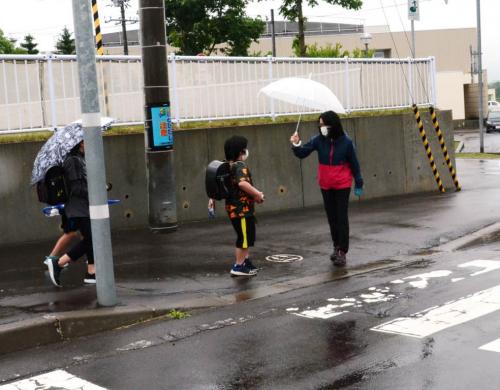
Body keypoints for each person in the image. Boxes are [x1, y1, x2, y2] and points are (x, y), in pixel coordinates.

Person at [289, 110, 363, 266]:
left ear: (333, 125)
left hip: (342, 184)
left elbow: (354, 164)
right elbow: (302, 153)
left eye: (323, 124)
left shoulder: (347, 142)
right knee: (332, 218)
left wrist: (359, 182)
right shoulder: (318, 140)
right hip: (325, 184)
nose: (321, 127)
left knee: (341, 217)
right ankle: (336, 247)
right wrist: (296, 144)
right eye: (320, 124)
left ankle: (342, 251)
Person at [209, 135, 265, 277]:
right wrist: (257, 194)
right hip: (242, 210)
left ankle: (245, 263)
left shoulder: (228, 165)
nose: (246, 151)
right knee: (244, 238)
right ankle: (238, 266)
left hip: (234, 208)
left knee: (244, 236)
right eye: (244, 149)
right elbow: (242, 183)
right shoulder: (240, 166)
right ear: (240, 151)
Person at [45, 140, 96, 286]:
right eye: (87, 141)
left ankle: (91, 272)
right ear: (80, 144)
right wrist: (97, 190)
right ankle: (60, 262)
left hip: (81, 207)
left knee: (92, 238)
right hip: (78, 207)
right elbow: (77, 188)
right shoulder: (73, 161)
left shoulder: (78, 159)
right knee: (92, 239)